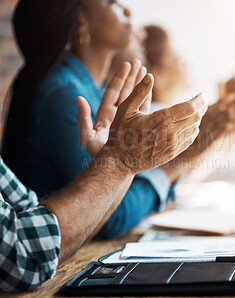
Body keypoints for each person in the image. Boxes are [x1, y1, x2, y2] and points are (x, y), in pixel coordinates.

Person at [0, 60, 208, 292]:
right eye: (125, 19)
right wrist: (119, 162)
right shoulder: (63, 93)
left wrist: (119, 166)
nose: (137, 31)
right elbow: (23, 252)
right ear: (84, 26)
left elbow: (29, 212)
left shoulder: (89, 87)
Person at [2, 0, 191, 239]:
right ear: (82, 22)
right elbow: (110, 218)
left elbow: (127, 187)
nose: (127, 10)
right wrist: (172, 168)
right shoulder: (65, 94)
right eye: (111, 2)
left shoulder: (96, 89)